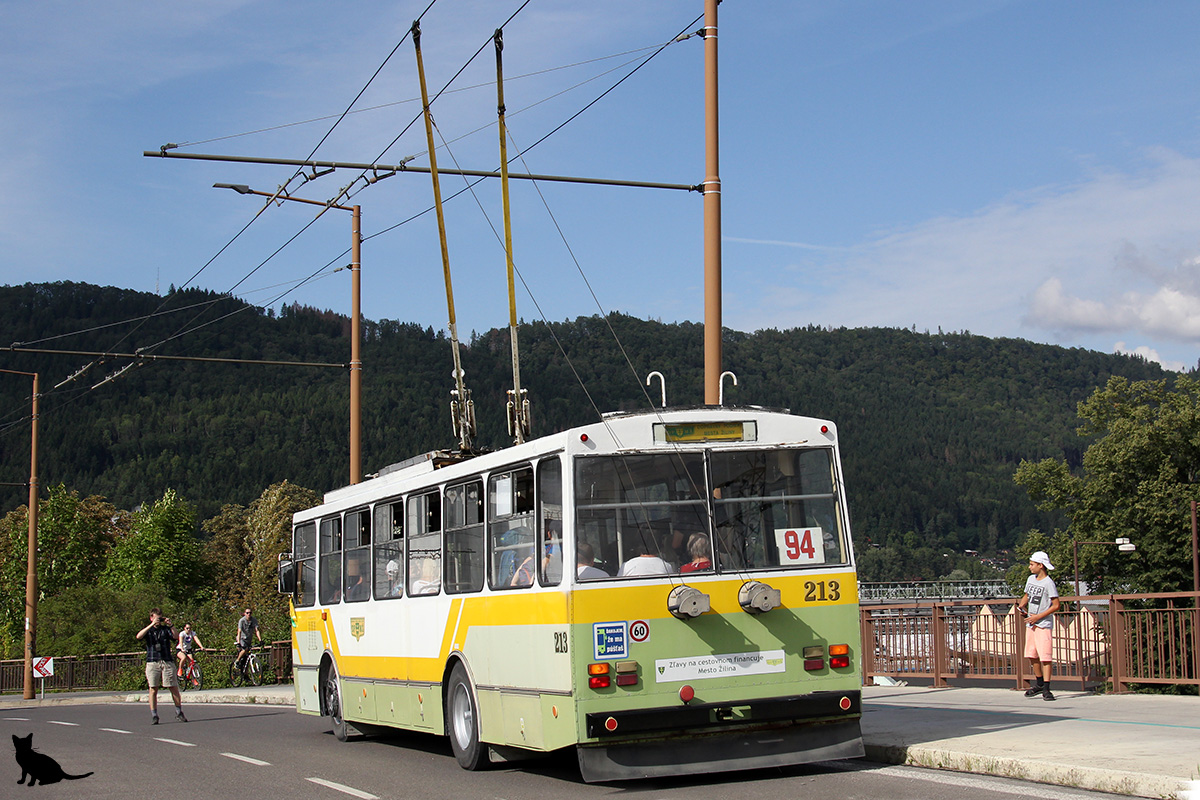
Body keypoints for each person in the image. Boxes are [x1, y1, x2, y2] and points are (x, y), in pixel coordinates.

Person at [1017, 550, 1061, 701]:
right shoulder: (1030, 579)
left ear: (1040, 565)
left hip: (1043, 624)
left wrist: (1038, 617)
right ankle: (1039, 682)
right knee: (1031, 654)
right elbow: (1027, 596)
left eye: (1032, 564)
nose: (1030, 567)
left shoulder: (1049, 583)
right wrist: (1021, 607)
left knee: (1045, 657)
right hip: (1031, 624)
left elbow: (1056, 605)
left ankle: (1047, 689)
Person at [136, 608, 186, 724]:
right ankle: (154, 715)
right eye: (156, 618)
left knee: (173, 686)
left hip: (166, 661)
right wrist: (151, 624)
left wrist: (171, 625)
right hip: (153, 661)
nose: (158, 620)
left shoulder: (165, 630)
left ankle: (179, 712)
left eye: (160, 618)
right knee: (153, 688)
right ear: (151, 617)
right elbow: (139, 636)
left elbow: (176, 636)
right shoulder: (148, 630)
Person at [234, 608, 262, 674]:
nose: (249, 614)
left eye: (250, 613)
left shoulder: (254, 620)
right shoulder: (242, 621)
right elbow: (239, 631)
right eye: (247, 613)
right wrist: (238, 642)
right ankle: (237, 661)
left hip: (249, 639)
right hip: (242, 639)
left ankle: (245, 674)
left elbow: (257, 630)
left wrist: (260, 640)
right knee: (244, 649)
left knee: (247, 658)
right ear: (244, 613)